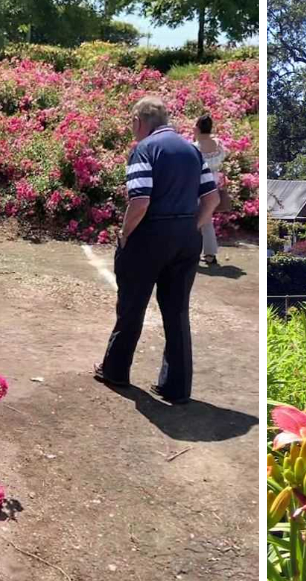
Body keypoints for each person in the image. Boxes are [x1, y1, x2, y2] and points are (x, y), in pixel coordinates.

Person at [93, 96, 220, 404]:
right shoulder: (192, 150)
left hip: (150, 234)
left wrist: (124, 235)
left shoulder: (144, 149)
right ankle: (176, 387)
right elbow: (212, 198)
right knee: (177, 312)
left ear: (139, 121)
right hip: (186, 236)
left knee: (132, 305)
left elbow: (140, 201)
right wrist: (192, 227)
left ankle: (116, 370)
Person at [193, 114, 227, 266]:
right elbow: (223, 159)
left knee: (202, 219)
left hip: (199, 183)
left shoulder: (195, 146)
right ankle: (208, 253)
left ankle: (206, 253)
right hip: (214, 182)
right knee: (206, 218)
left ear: (198, 128)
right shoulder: (218, 144)